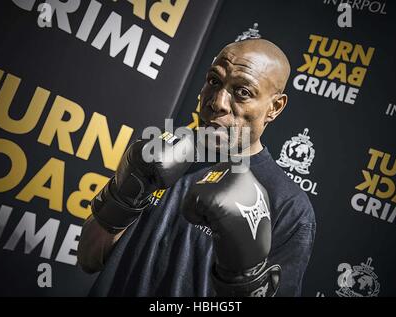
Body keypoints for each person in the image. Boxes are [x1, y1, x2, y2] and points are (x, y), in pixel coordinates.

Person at [77, 37, 316, 297]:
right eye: (214, 81)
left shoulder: (288, 207)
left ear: (274, 107)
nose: (218, 102)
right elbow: (89, 259)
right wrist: (124, 195)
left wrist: (241, 279)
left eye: (242, 92)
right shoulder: (159, 154)